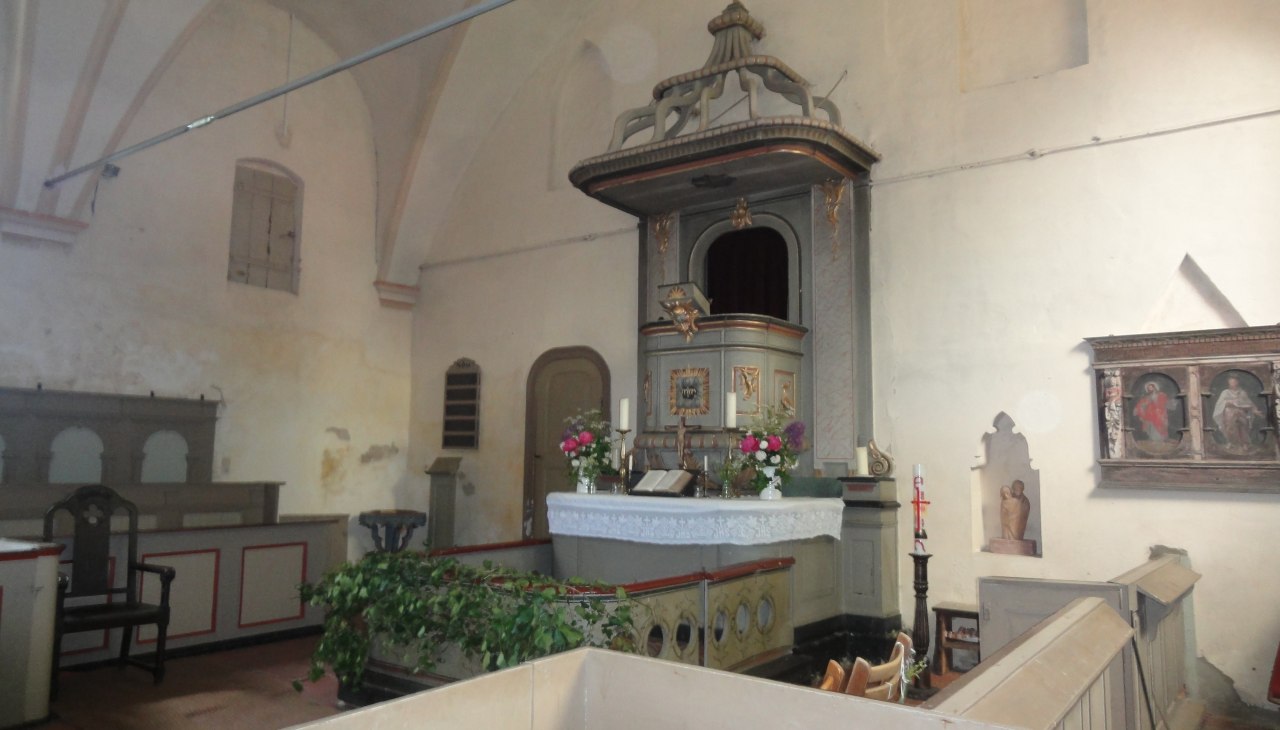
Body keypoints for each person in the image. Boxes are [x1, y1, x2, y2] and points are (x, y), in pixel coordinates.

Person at [1212, 375, 1261, 451]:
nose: (1232, 383)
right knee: (1230, 428)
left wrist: (1254, 410)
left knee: (1242, 427)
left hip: (1241, 413)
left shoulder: (1242, 393)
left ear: (1237, 382)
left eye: (1234, 382)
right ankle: (1232, 442)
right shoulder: (1225, 392)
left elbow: (1249, 403)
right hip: (1229, 414)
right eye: (1231, 382)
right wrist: (1227, 402)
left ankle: (1244, 444)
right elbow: (1219, 404)